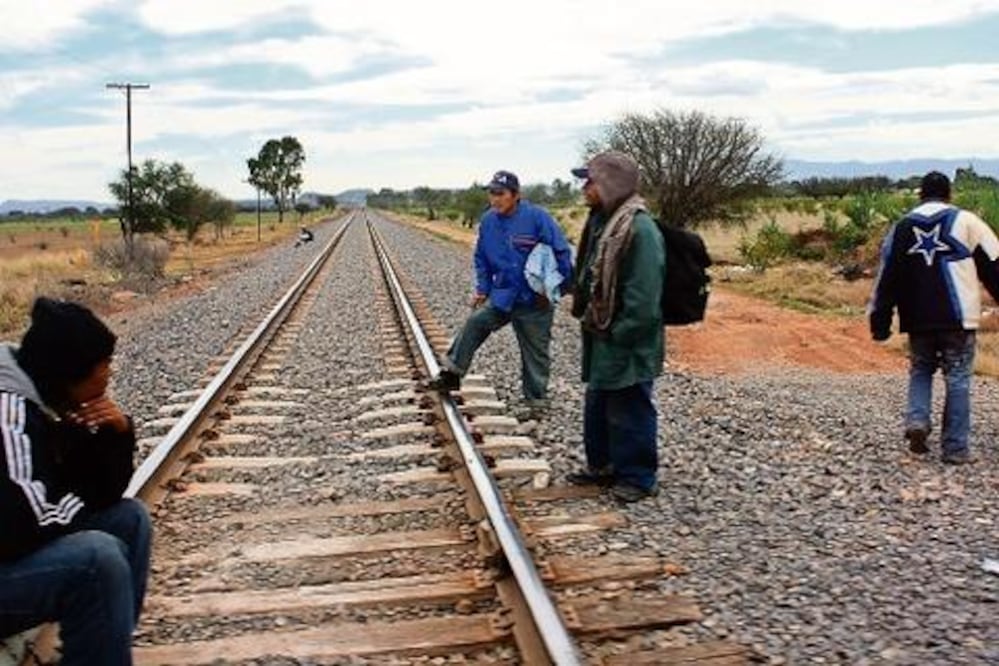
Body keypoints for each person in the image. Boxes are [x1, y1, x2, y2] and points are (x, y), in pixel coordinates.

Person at [0, 297, 151, 665]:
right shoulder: (10, 413)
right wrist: (80, 499)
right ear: (68, 375)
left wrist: (116, 435)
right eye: (104, 365)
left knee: (130, 519)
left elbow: (98, 493)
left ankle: (103, 651)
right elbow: (22, 524)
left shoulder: (47, 400)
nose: (109, 374)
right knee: (97, 559)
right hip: (9, 547)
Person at [869, 171, 999, 464]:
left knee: (921, 370)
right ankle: (955, 448)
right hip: (959, 318)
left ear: (920, 195)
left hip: (917, 319)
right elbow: (994, 266)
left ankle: (917, 420)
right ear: (949, 194)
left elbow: (887, 278)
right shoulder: (967, 222)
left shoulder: (901, 228)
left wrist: (880, 320)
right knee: (958, 378)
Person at [427, 170, 573, 408]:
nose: (495, 199)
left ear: (515, 195)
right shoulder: (488, 221)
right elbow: (481, 258)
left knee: (535, 352)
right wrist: (483, 289)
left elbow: (562, 254)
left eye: (500, 194)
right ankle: (452, 374)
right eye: (492, 193)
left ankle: (536, 402)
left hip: (535, 300)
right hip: (503, 295)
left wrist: (555, 291)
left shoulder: (538, 218)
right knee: (476, 323)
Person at [567, 151, 666, 502]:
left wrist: (620, 333)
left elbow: (644, 298)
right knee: (599, 401)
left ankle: (639, 477)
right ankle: (603, 466)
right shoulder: (602, 221)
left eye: (590, 181)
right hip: (603, 333)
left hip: (627, 339)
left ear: (610, 183)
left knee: (630, 405)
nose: (584, 188)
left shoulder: (639, 228)